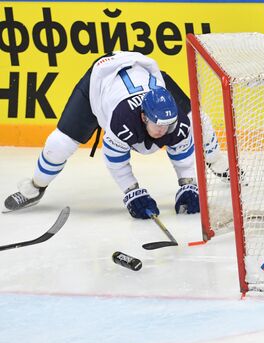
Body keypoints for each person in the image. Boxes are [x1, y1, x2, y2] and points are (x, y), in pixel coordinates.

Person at [4, 51, 227, 218]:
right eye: (158, 126)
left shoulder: (175, 121)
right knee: (59, 145)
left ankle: (217, 162)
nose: (163, 131)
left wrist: (188, 184)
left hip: (144, 73)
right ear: (143, 117)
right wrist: (133, 192)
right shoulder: (123, 121)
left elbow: (181, 145)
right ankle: (36, 186)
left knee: (201, 122)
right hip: (100, 82)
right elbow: (116, 160)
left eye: (168, 126)